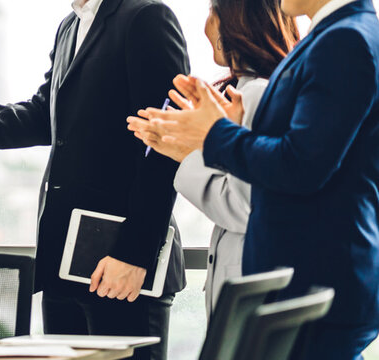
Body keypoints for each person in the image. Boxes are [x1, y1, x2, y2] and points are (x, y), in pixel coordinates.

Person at [0, 0, 189, 358]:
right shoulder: (71, 26)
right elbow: (42, 114)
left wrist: (134, 255)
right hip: (66, 265)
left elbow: (167, 143)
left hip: (123, 268)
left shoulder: (146, 17)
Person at [127, 0, 379, 358]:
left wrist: (213, 135)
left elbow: (300, 166)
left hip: (318, 288)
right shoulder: (331, 35)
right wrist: (229, 129)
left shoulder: (345, 39)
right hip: (309, 286)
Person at [128, 0, 299, 316]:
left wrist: (186, 155)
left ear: (235, 21)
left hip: (253, 292)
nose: (205, 25)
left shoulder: (257, 95)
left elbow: (243, 207)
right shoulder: (254, 90)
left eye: (211, 12)